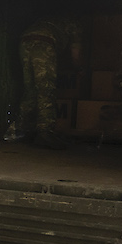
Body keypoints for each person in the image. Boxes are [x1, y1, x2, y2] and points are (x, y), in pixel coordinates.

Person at [18, 16, 84, 150]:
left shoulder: (50, 20)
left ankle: (21, 130)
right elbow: (75, 55)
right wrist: (79, 70)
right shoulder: (75, 24)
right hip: (44, 44)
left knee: (30, 90)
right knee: (46, 88)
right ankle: (45, 132)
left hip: (25, 41)